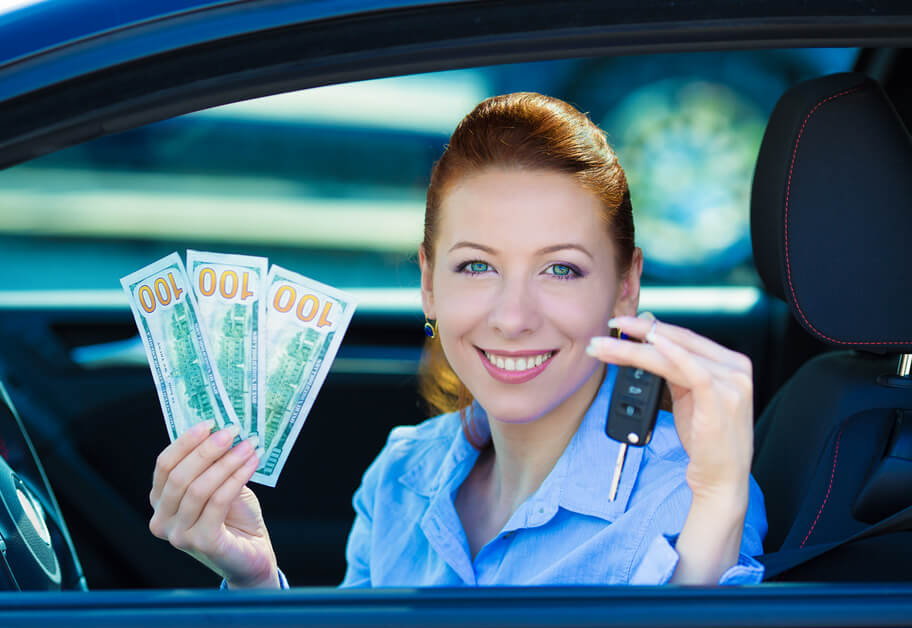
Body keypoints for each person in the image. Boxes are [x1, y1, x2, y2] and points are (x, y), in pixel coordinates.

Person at [148, 92, 767, 588]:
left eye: (560, 269)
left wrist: (717, 501)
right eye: (477, 266)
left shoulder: (688, 494)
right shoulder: (400, 475)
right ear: (429, 284)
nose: (513, 316)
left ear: (625, 287)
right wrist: (258, 584)